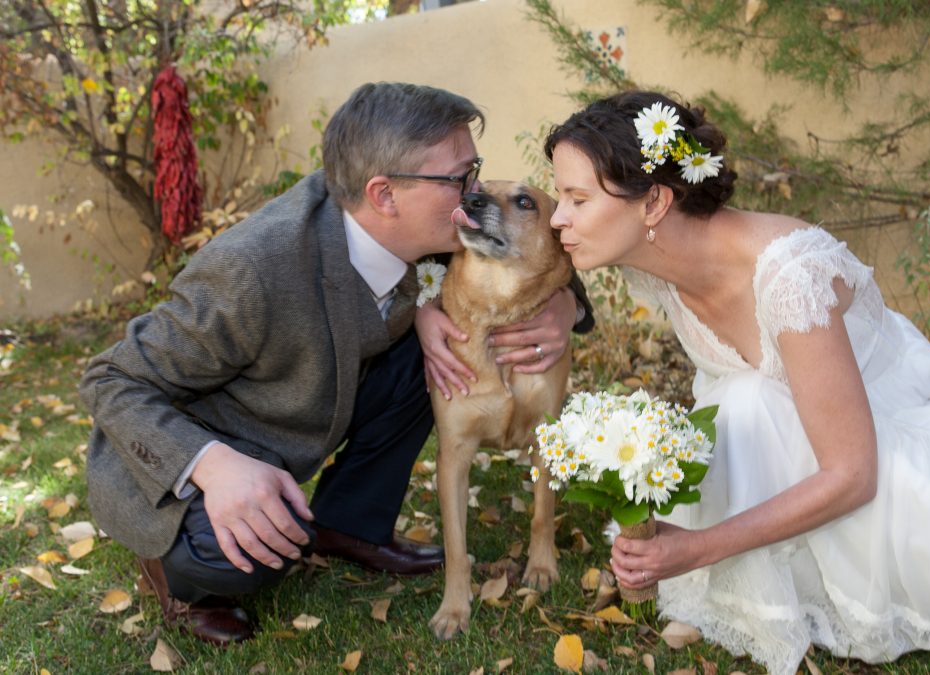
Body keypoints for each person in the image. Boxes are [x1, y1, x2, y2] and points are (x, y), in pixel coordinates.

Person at [543, 90, 930, 674]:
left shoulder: (788, 274)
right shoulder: (660, 264)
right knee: (747, 399)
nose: (557, 217)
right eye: (559, 197)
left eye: (577, 198)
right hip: (788, 437)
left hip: (881, 433)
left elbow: (854, 474)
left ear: (655, 203)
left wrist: (699, 546)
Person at [79, 82, 592, 646]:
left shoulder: (423, 218)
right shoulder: (252, 272)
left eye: (475, 172)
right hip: (204, 448)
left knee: (434, 359)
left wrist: (566, 305)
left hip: (311, 403)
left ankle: (349, 523)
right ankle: (173, 570)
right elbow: (111, 377)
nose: (474, 194)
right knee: (256, 552)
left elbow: (531, 249)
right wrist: (212, 465)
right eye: (459, 180)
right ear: (385, 195)